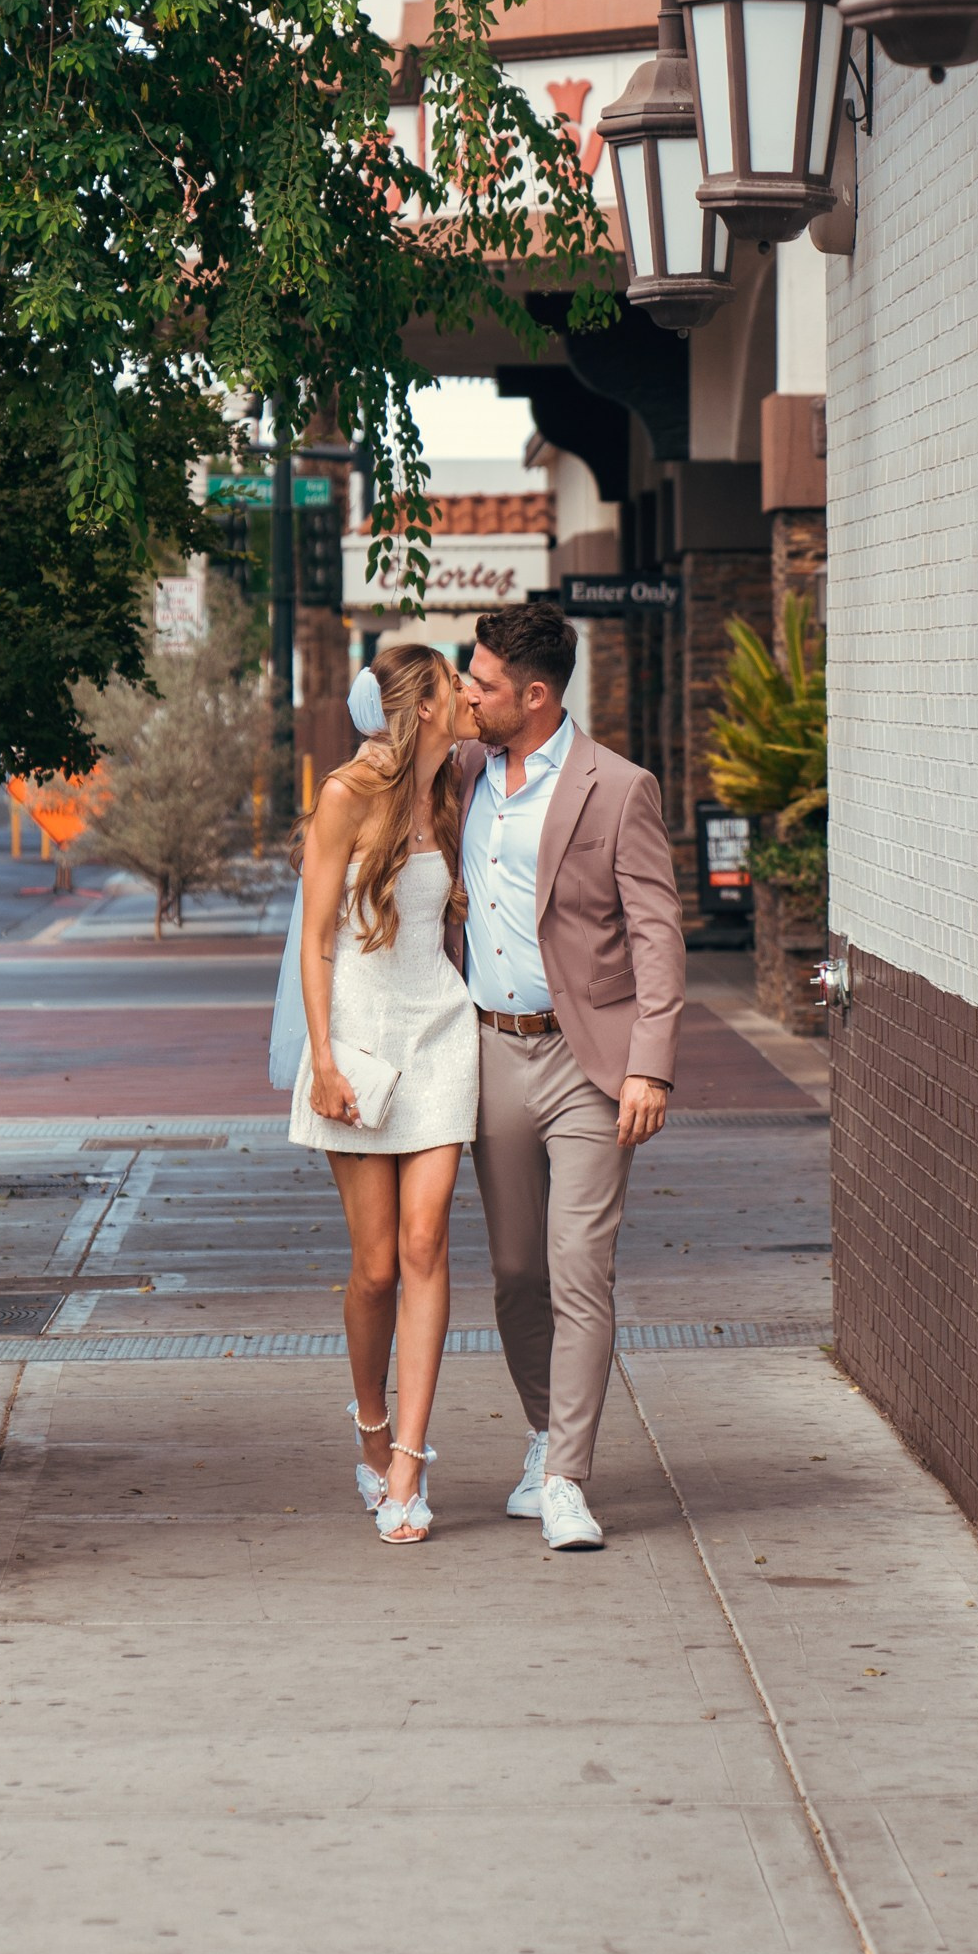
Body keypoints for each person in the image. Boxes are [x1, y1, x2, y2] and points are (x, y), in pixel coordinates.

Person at [458, 604, 686, 1552]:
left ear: (536, 696)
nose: (467, 694)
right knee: (516, 1273)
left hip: (588, 1060)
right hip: (487, 1053)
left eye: (482, 684)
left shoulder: (618, 788)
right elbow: (367, 709)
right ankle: (545, 1428)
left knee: (578, 1272)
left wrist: (651, 1067)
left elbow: (657, 931)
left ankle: (565, 1480)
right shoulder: (461, 771)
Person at [291, 646, 480, 1543]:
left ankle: (409, 1461)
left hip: (441, 1032)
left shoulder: (455, 786)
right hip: (360, 1043)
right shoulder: (345, 796)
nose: (469, 697)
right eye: (457, 686)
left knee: (425, 1240)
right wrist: (324, 1060)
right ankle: (371, 1426)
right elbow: (316, 938)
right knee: (373, 1268)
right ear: (423, 707)